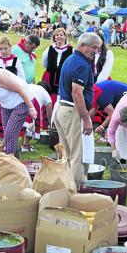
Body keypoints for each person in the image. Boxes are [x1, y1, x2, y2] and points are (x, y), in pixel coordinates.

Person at [54, 32, 102, 187]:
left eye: (98, 48)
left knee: (67, 155)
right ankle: (73, 194)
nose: (96, 52)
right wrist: (86, 118)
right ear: (82, 46)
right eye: (94, 48)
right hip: (72, 110)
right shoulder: (81, 64)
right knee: (78, 157)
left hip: (62, 108)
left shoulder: (71, 59)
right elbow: (77, 93)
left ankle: (64, 190)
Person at [42, 27, 73, 105]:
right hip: (49, 76)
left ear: (65, 37)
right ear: (54, 37)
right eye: (57, 35)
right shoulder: (49, 48)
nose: (59, 36)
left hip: (64, 77)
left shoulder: (71, 50)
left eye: (61, 35)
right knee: (47, 95)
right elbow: (44, 63)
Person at [21, 82, 53, 152]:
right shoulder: (46, 95)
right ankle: (25, 146)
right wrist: (50, 124)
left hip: (21, 99)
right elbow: (49, 112)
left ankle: (24, 144)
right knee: (31, 125)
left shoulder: (32, 86)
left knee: (25, 124)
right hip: (33, 102)